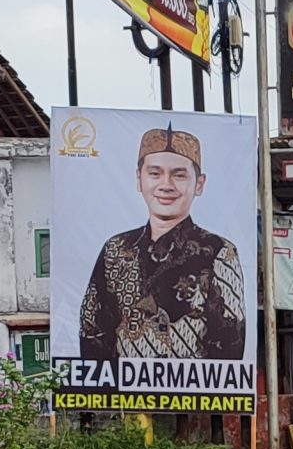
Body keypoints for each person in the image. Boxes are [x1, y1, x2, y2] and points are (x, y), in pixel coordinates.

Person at [78, 126, 247, 362]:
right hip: (125, 394)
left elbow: (231, 341)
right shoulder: (116, 249)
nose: (166, 185)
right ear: (139, 179)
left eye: (179, 175)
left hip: (193, 394)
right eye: (155, 173)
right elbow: (92, 329)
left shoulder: (219, 251)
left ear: (199, 184)